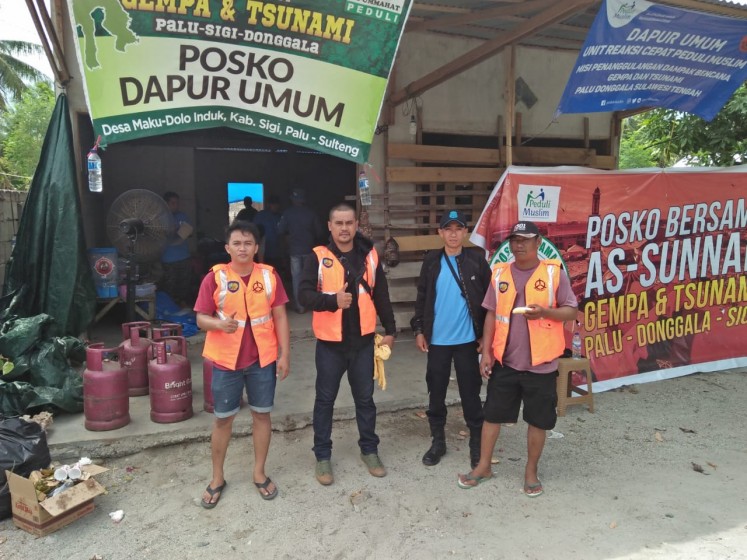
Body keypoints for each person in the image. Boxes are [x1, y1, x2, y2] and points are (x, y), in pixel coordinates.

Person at [458, 221, 577, 496]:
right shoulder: (500, 272)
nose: (518, 245)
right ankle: (483, 467)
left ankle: (530, 472)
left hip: (541, 364)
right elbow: (490, 313)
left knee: (538, 421)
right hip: (506, 362)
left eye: (525, 240)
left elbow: (571, 311)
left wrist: (545, 312)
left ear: (538, 243)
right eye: (514, 240)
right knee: (492, 416)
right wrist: (486, 352)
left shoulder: (553, 273)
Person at [298, 203, 396, 486]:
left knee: (365, 400)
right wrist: (332, 301)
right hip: (330, 345)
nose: (344, 228)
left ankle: (370, 450)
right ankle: (323, 457)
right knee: (325, 401)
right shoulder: (318, 256)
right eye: (338, 223)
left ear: (356, 226)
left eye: (349, 223)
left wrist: (390, 330)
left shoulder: (370, 256)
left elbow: (382, 296)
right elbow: (303, 295)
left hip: (363, 343)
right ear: (330, 226)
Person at [195, 220, 290, 507]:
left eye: (248, 243)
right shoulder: (215, 278)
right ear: (227, 248)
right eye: (237, 243)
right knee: (223, 419)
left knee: (262, 415)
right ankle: (217, 478)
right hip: (226, 361)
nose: (242, 248)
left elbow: (281, 317)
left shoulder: (270, 276)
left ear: (256, 247)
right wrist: (218, 323)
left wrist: (285, 354)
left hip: (262, 359)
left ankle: (259, 473)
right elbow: (200, 318)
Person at [411, 210, 491, 468]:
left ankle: (476, 444)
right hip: (438, 342)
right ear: (440, 233)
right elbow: (422, 297)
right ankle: (438, 442)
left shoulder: (476, 261)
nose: (453, 233)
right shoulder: (432, 261)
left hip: (467, 341)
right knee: (436, 393)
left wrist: (484, 337)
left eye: (458, 228)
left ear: (465, 232)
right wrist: (420, 330)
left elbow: (490, 302)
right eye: (448, 229)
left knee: (470, 393)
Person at [277, 188, 324, 313]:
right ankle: (312, 303)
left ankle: (300, 306)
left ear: (292, 200)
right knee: (310, 278)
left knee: (296, 279)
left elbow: (280, 230)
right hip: (309, 250)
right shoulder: (311, 213)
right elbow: (319, 232)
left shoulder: (287, 213)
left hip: (294, 251)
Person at [160, 191, 194, 307]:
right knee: (170, 285)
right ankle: (169, 307)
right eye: (173, 203)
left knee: (184, 285)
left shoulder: (182, 216)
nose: (176, 206)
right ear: (166, 203)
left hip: (184, 256)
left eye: (177, 203)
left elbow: (188, 232)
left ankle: (182, 306)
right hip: (168, 259)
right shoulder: (160, 219)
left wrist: (182, 231)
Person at [253, 195, 283, 270]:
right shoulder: (261, 215)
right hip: (263, 251)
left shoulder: (280, 216)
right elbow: (254, 231)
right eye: (273, 204)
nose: (276, 206)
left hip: (277, 251)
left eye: (277, 204)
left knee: (276, 272)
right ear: (269, 205)